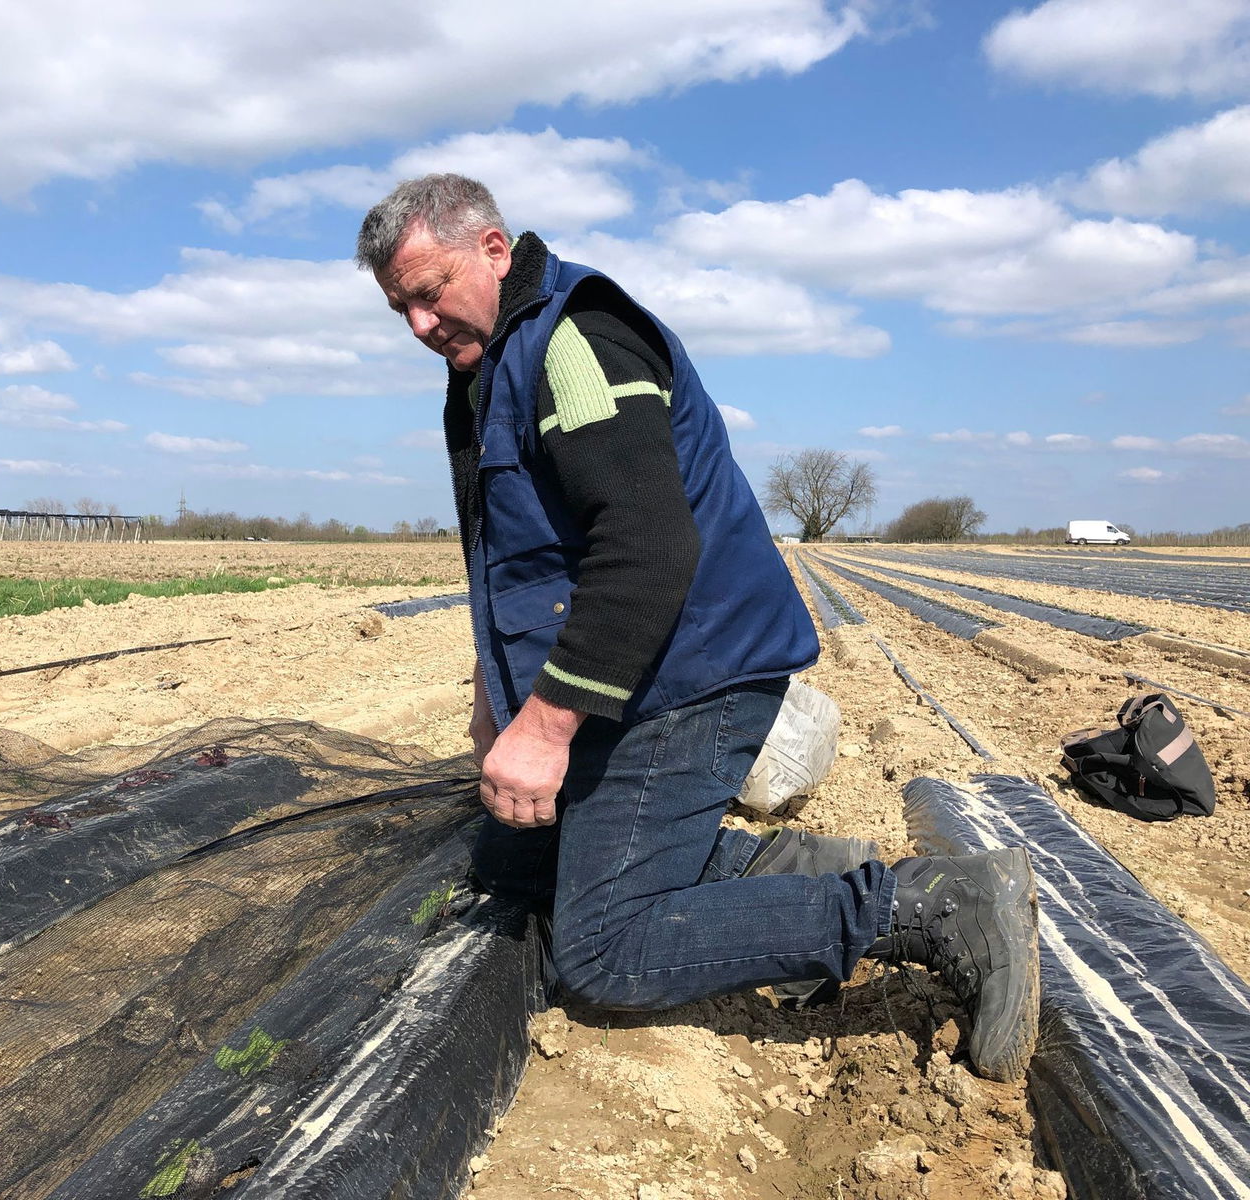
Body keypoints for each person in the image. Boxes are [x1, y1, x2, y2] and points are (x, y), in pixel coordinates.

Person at [355, 174, 1039, 1082]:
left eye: (428, 292)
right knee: (514, 869)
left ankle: (936, 908)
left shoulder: (573, 342)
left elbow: (644, 547)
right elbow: (517, 566)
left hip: (691, 675)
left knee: (601, 952)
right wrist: (496, 703)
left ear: (492, 248)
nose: (417, 326)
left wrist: (549, 725)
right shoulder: (493, 366)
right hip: (641, 670)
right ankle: (794, 871)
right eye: (399, 307)